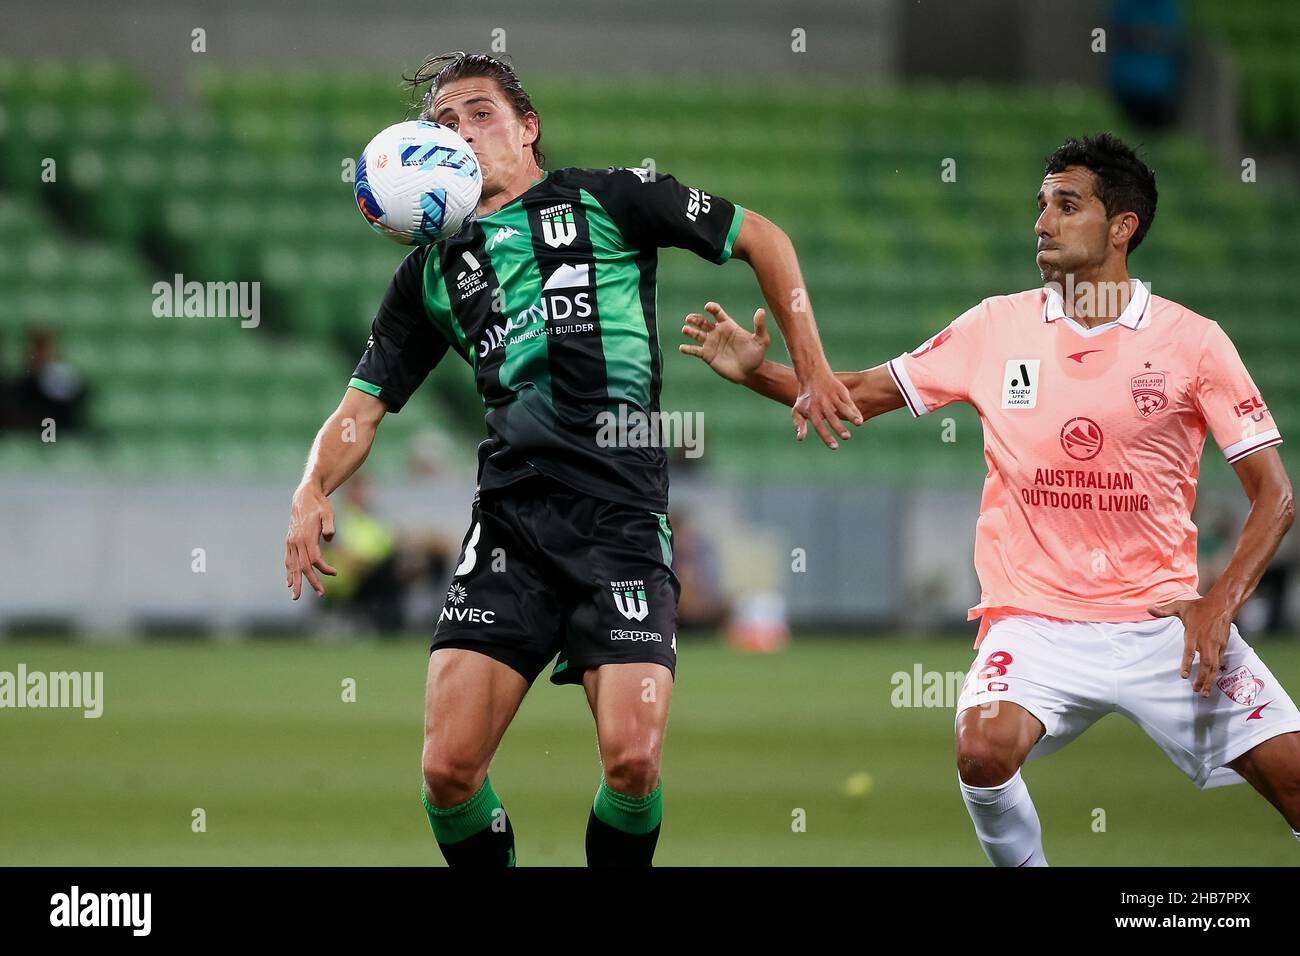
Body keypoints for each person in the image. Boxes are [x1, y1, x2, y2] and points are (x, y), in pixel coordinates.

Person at [283, 51, 857, 866]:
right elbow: (359, 410)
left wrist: (813, 368)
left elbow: (761, 236)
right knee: (448, 773)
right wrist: (312, 486)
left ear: (528, 127)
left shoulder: (609, 198)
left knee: (633, 762)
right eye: (443, 123)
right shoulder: (430, 274)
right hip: (511, 525)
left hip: (621, 517)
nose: (462, 133)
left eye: (480, 113)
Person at [681, 132, 1300, 864]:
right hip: (1034, 621)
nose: (1042, 222)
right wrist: (758, 372)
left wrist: (1218, 603)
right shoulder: (994, 327)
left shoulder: (1193, 343)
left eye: (1067, 206)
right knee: (981, 750)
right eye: (1041, 205)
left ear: (1122, 226)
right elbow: (859, 396)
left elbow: (1275, 496)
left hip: (1163, 619)